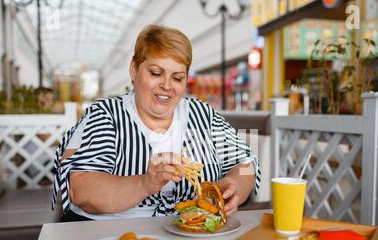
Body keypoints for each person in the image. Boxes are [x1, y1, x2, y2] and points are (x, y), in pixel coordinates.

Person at [52, 25, 261, 222]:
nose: (167, 86)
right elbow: (81, 189)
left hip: (190, 232)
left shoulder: (203, 115)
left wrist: (234, 186)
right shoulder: (105, 114)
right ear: (134, 70)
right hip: (104, 232)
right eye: (155, 73)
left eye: (177, 78)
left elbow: (245, 164)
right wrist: (144, 184)